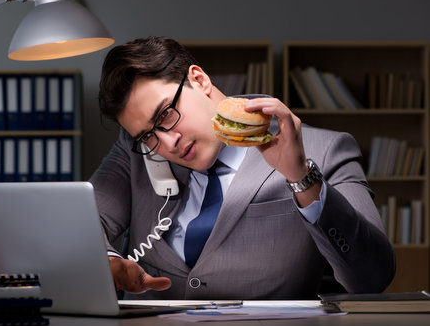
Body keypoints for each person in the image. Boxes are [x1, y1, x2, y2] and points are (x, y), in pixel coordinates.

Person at [90, 36, 395, 300]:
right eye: (147, 135)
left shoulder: (324, 150)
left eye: (166, 114)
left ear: (199, 79)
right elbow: (84, 222)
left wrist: (302, 178)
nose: (167, 143)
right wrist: (108, 260)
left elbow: (372, 278)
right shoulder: (137, 151)